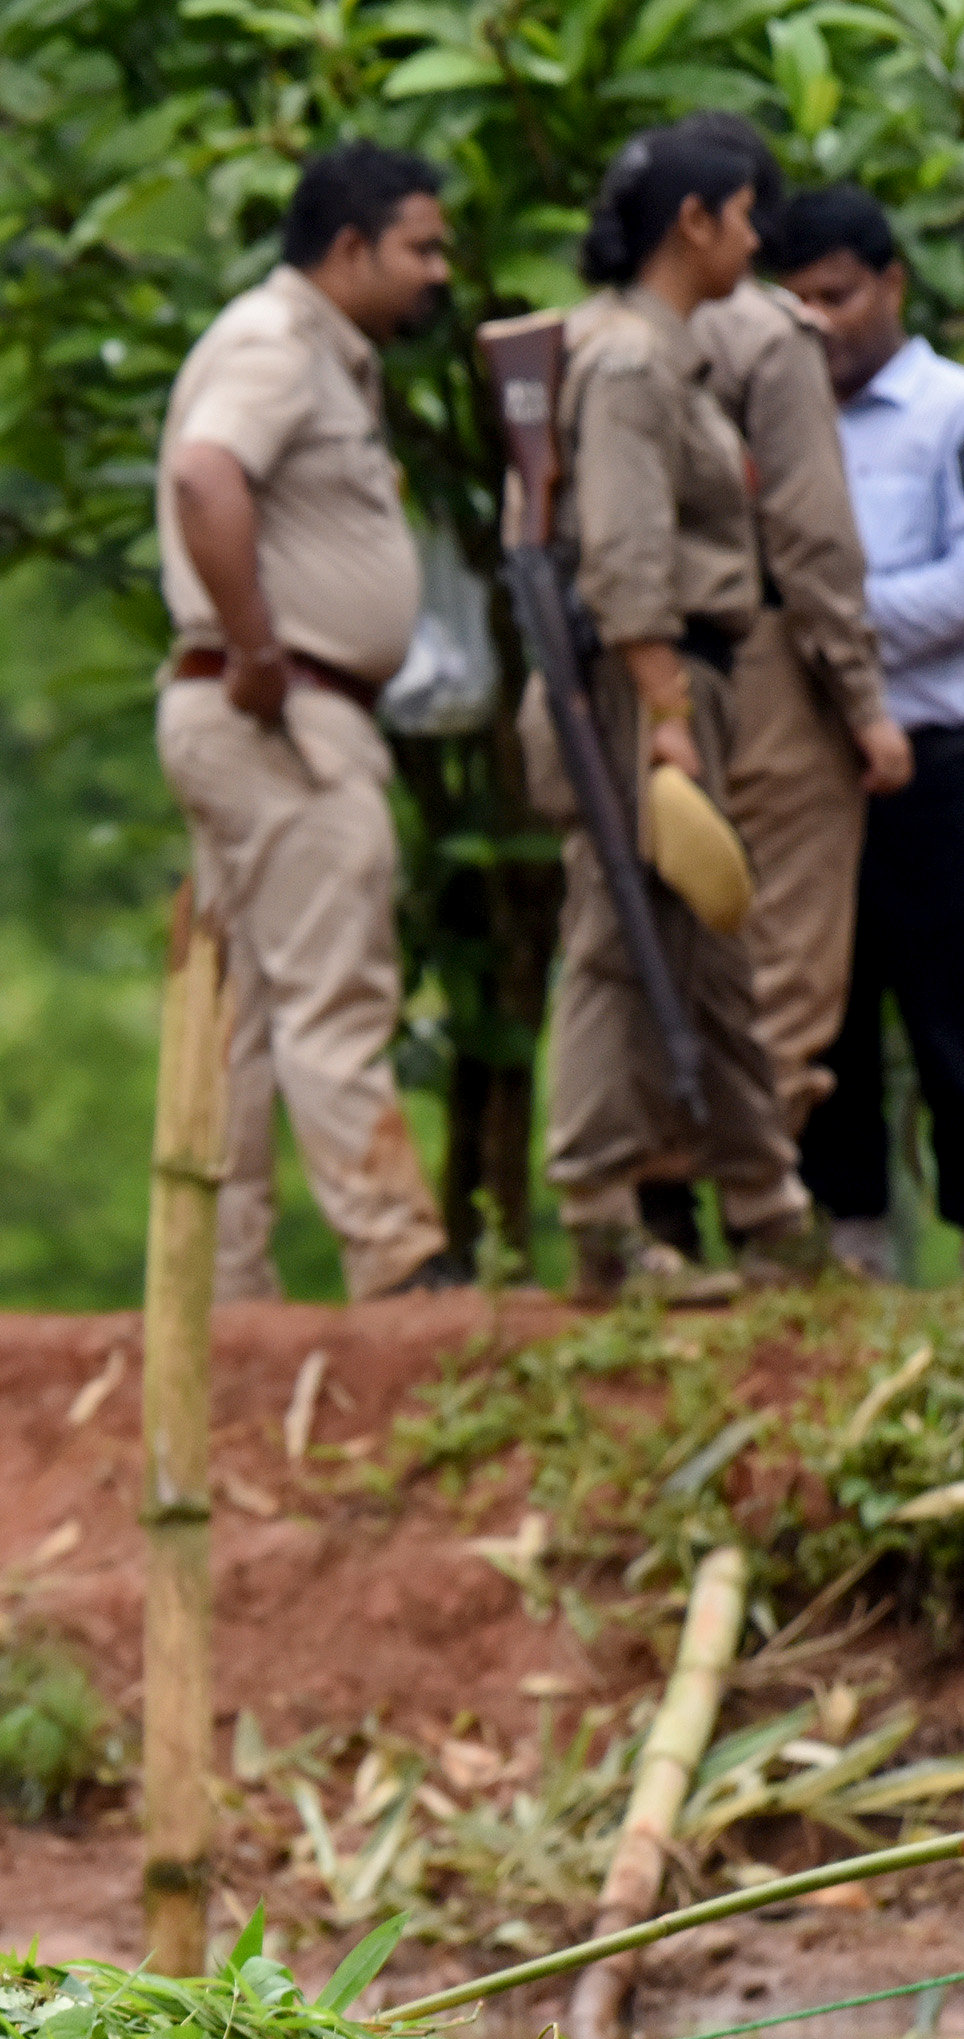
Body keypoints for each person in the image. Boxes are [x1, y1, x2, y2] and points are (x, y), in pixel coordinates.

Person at [153, 143, 463, 1303]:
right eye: (419, 247)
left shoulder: (323, 356)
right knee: (334, 984)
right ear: (347, 249)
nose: (437, 271)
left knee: (240, 1008)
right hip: (280, 715)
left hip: (254, 711)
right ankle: (395, 1258)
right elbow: (203, 476)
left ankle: (222, 1288)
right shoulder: (273, 346)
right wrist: (258, 651)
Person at [524, 125, 825, 1306]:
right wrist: (660, 711)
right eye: (742, 213)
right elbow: (624, 548)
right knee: (618, 935)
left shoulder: (655, 352)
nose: (755, 239)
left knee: (707, 937)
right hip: (636, 677)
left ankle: (765, 1202)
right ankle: (600, 1216)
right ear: (692, 223)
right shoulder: (630, 365)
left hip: (677, 670)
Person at [633, 118, 909, 1265]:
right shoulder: (761, 338)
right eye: (750, 219)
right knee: (784, 952)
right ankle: (762, 1213)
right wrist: (859, 702)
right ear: (704, 220)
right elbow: (807, 533)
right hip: (766, 666)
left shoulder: (598, 340)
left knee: (654, 942)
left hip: (644, 676)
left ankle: (647, 1204)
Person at [769, 183, 964, 1277]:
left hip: (933, 769)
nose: (818, 323)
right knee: (823, 1019)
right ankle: (846, 1263)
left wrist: (832, 621)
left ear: (888, 283)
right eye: (794, 303)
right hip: (811, 771)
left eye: (835, 296)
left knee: (950, 1016)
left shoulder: (948, 413)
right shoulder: (774, 417)